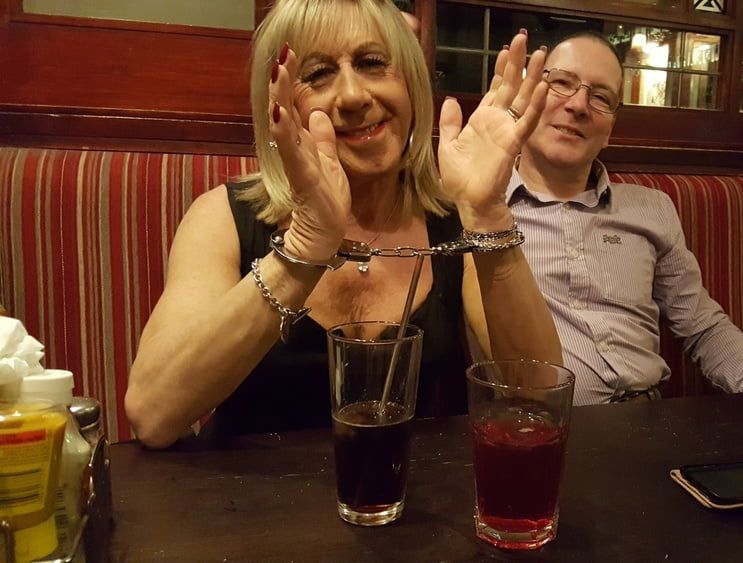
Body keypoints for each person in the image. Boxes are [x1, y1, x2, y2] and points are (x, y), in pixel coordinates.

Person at [125, 0, 560, 448]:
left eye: (373, 63)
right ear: (278, 103)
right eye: (317, 75)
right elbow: (154, 415)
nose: (353, 96)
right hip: (248, 508)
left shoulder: (451, 222)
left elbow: (538, 394)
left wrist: (488, 215)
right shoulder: (223, 215)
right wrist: (303, 248)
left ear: (410, 82)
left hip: (413, 502)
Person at [500, 31, 743, 404]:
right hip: (545, 434)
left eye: (600, 97)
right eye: (562, 84)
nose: (579, 105)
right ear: (529, 97)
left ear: (610, 131)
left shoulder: (652, 208)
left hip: (652, 425)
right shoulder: (483, 210)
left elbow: (702, 327)